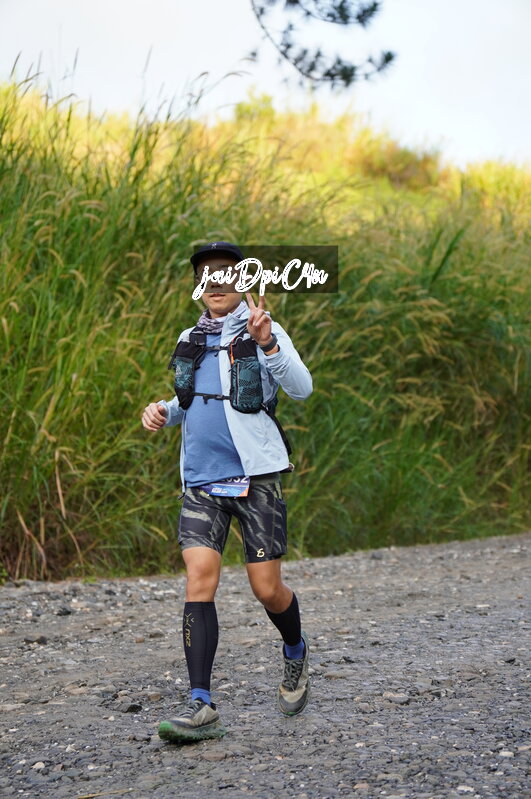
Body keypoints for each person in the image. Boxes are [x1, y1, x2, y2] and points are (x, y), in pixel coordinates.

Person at [141, 242, 313, 742]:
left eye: (225, 274)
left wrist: (268, 343)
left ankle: (295, 650)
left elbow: (301, 388)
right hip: (201, 479)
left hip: (255, 478)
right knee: (199, 579)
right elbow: (190, 398)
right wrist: (163, 410)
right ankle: (201, 705)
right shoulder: (189, 337)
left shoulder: (264, 328)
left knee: (267, 589)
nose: (215, 283)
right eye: (206, 276)